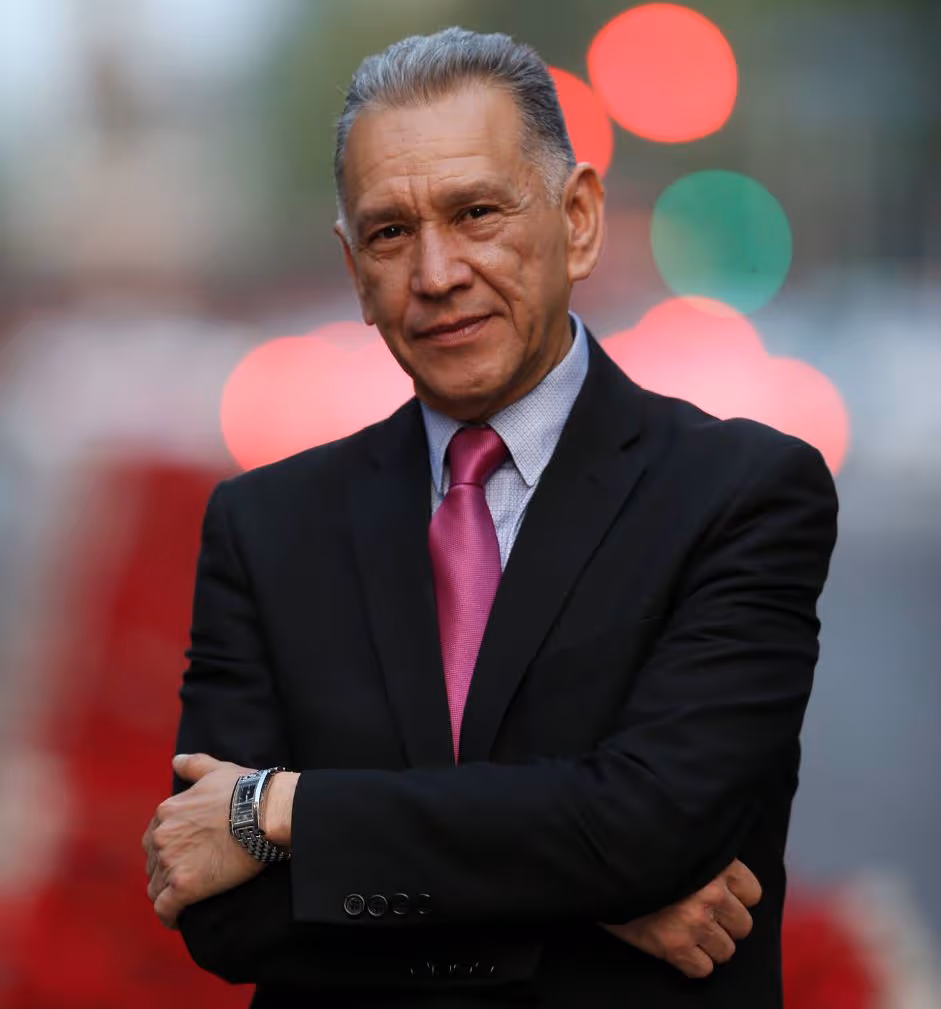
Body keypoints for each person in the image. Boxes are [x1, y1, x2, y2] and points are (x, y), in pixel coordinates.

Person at [143, 27, 837, 1009]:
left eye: (474, 213)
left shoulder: (740, 495)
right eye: (390, 232)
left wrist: (285, 808)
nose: (435, 273)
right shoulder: (265, 527)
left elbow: (650, 826)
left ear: (578, 220)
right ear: (354, 269)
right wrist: (590, 897)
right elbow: (222, 909)